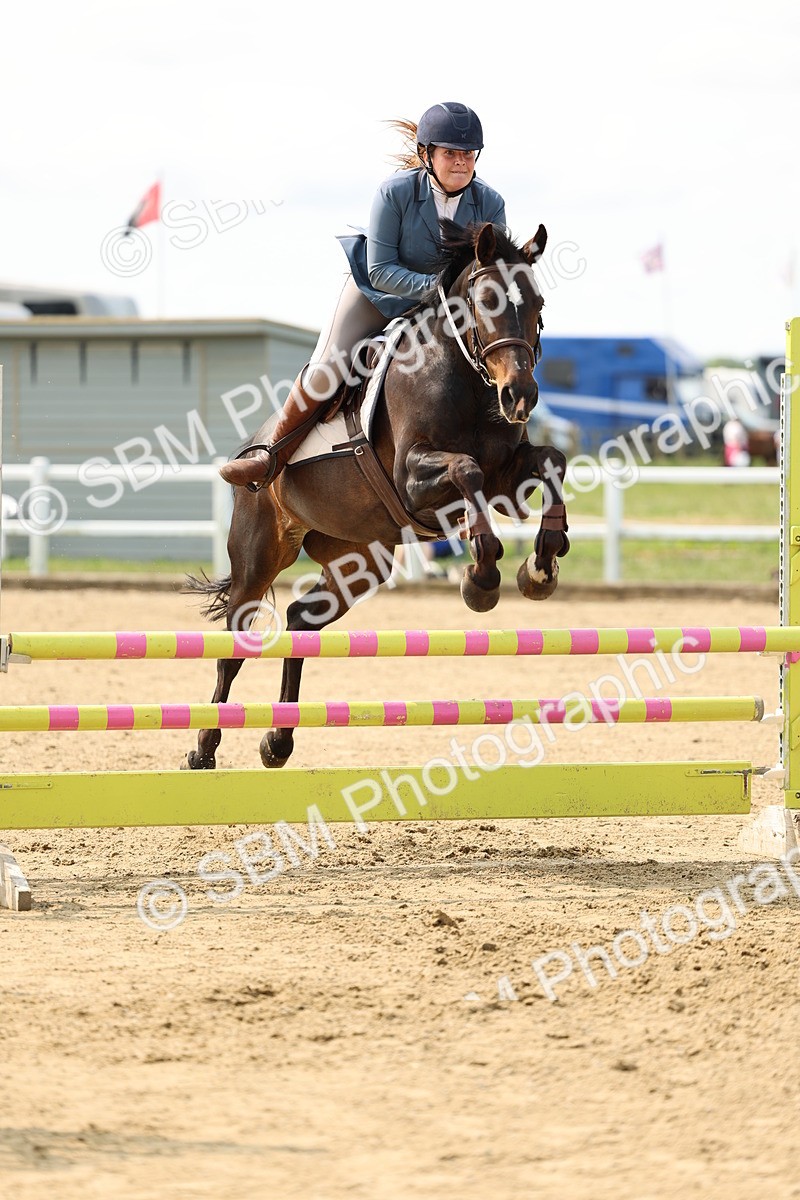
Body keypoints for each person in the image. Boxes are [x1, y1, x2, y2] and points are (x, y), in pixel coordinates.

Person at [220, 101, 507, 489]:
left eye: (468, 154)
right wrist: (434, 290)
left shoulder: (491, 203)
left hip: (447, 309)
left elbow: (493, 271)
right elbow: (379, 269)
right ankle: (269, 457)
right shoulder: (395, 192)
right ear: (427, 155)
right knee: (328, 368)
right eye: (450, 153)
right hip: (378, 295)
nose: (461, 162)